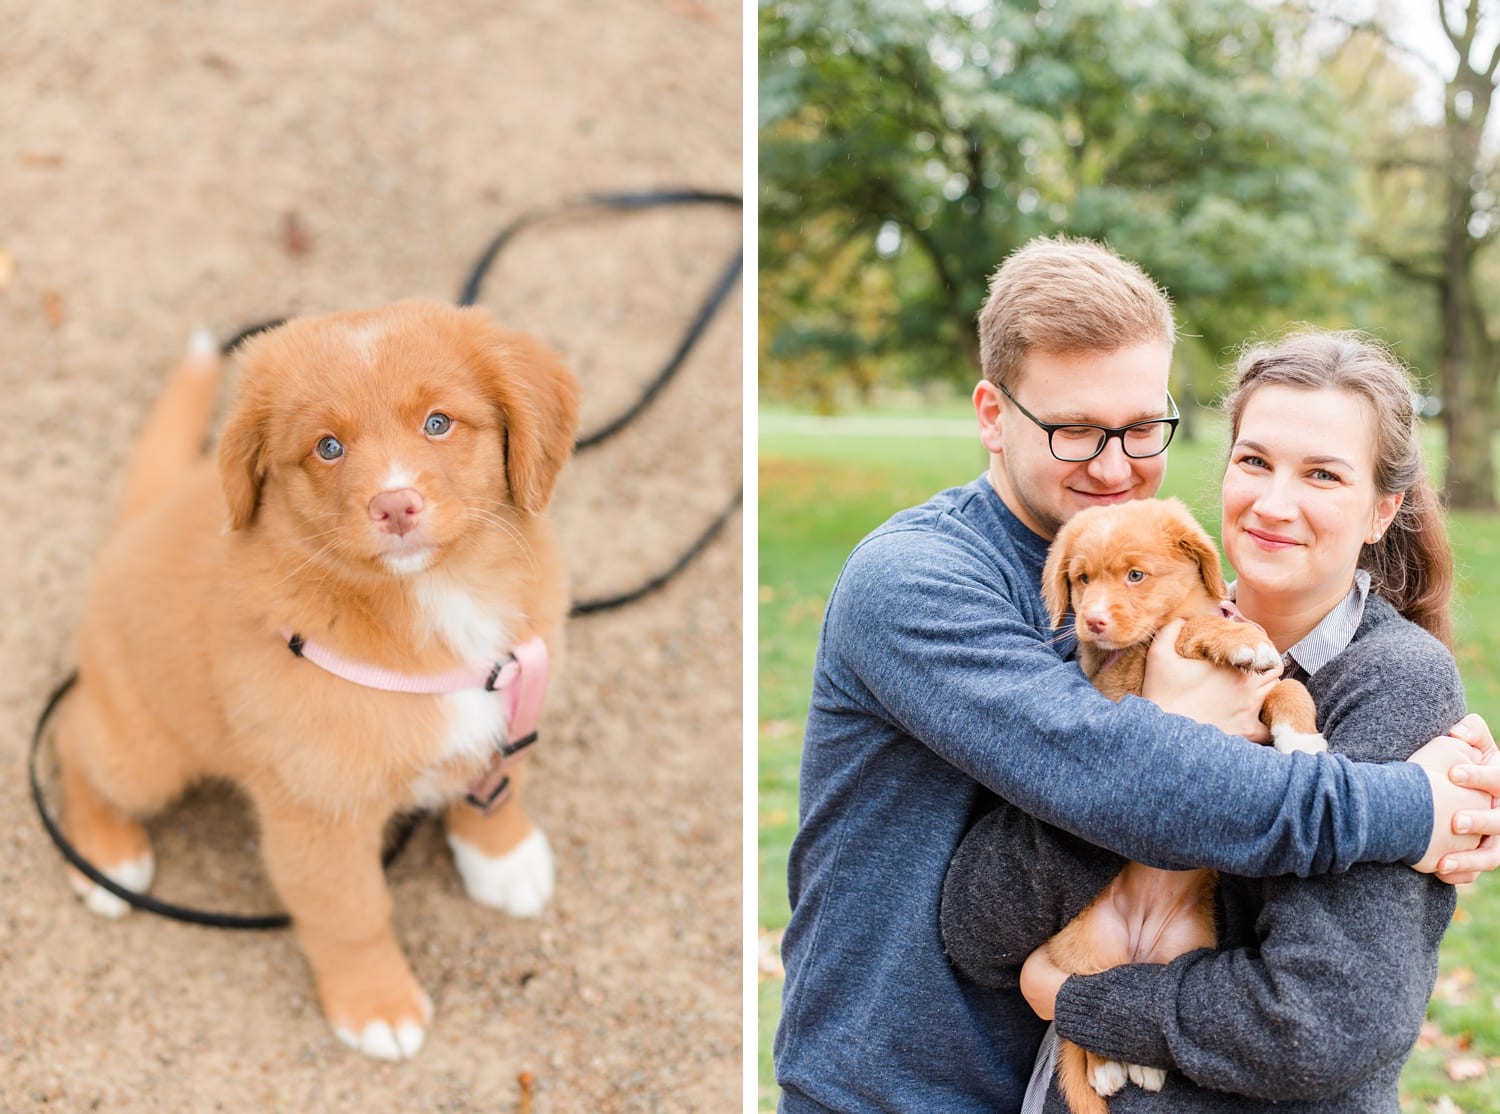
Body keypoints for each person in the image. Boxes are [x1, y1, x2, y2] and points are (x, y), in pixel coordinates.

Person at [771, 236, 1500, 1114]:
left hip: (1037, 1076)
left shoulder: (1189, 621)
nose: (1116, 467)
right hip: (895, 1087)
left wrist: (1072, 999)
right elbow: (1112, 774)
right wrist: (1409, 809)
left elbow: (1319, 1018)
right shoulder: (917, 583)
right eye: (1075, 430)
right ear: (993, 416)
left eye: (1143, 427)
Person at [942, 329, 1473, 1111]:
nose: (1274, 503)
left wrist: (1069, 998)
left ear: (1381, 510)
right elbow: (978, 929)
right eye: (1253, 460)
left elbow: (1313, 1029)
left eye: (1323, 475)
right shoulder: (1133, 628)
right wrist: (1152, 732)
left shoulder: (1396, 684)